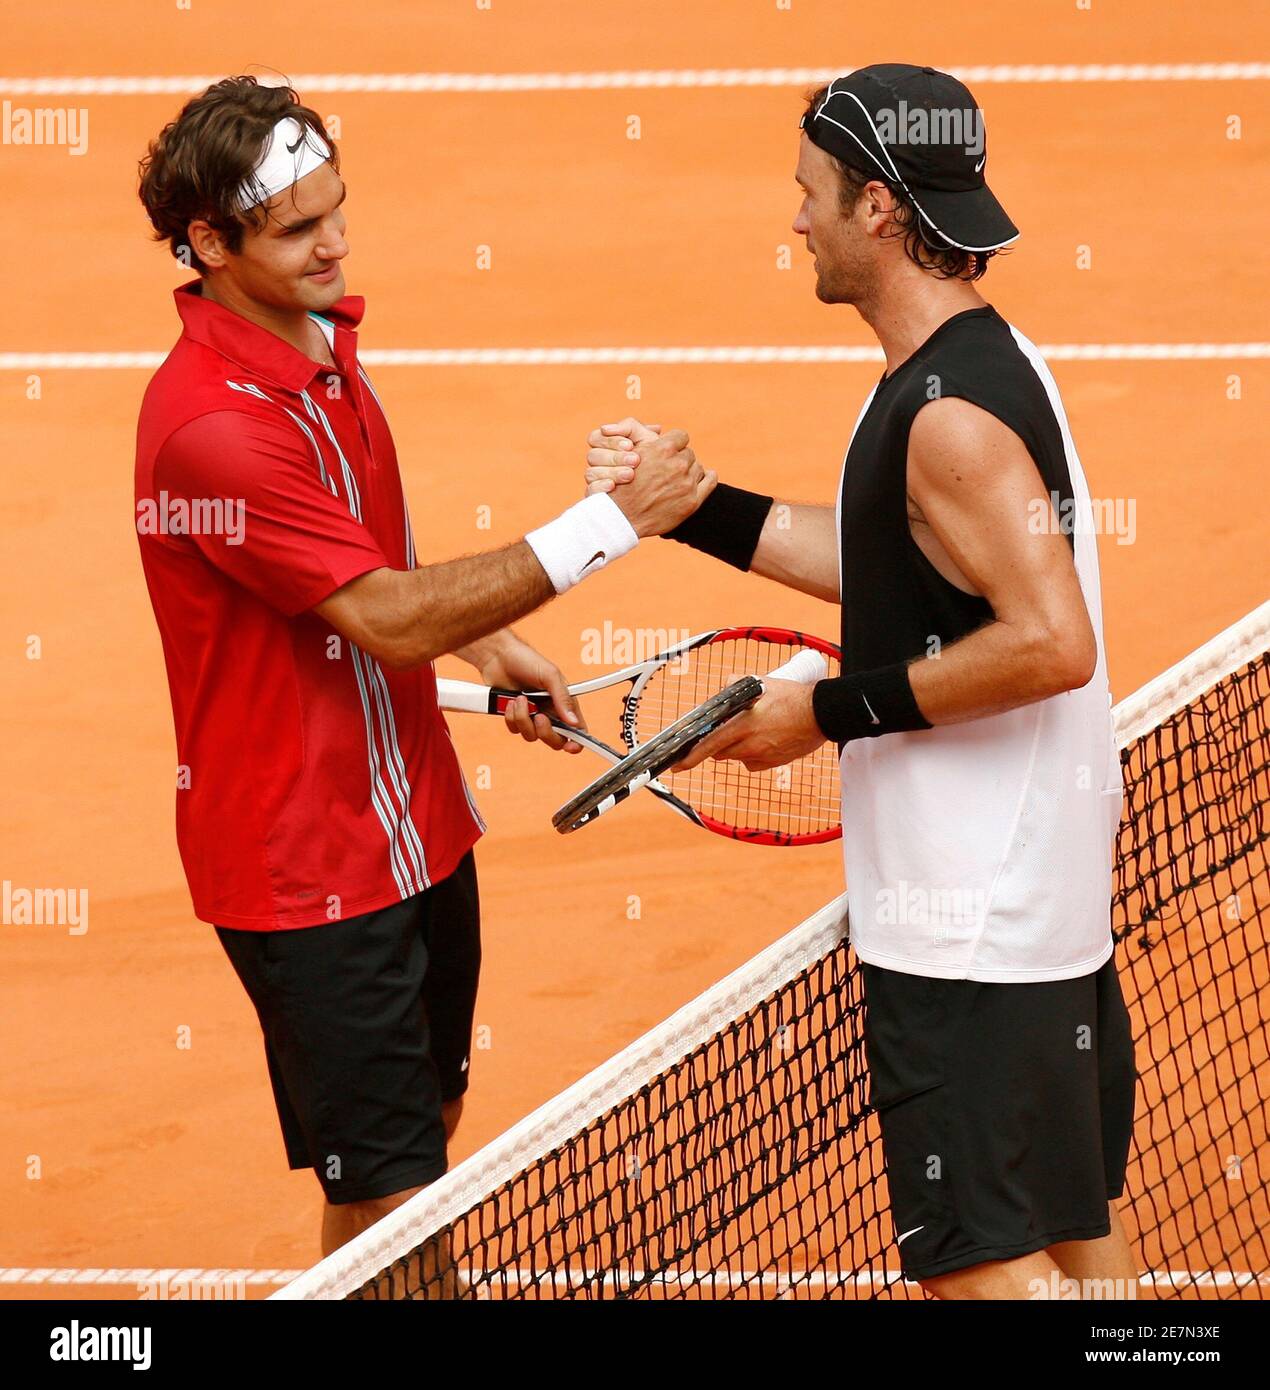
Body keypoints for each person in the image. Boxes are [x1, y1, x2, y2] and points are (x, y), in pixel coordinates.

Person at [134, 75, 711, 1266]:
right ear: (208, 242)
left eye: (335, 208)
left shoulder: (320, 341)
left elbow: (365, 560)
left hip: (416, 823)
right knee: (396, 1197)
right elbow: (385, 616)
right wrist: (609, 522)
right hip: (308, 873)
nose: (333, 242)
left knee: (423, 1144)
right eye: (296, 228)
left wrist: (490, 647)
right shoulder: (213, 428)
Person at [585, 65, 1139, 1300]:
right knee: (1083, 1258)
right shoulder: (972, 368)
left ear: (879, 207)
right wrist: (693, 508)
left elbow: (1051, 643)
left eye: (810, 194)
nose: (795, 221)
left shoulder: (948, 418)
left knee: (980, 1272)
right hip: (1026, 914)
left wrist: (825, 715)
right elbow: (893, 563)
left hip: (970, 936)